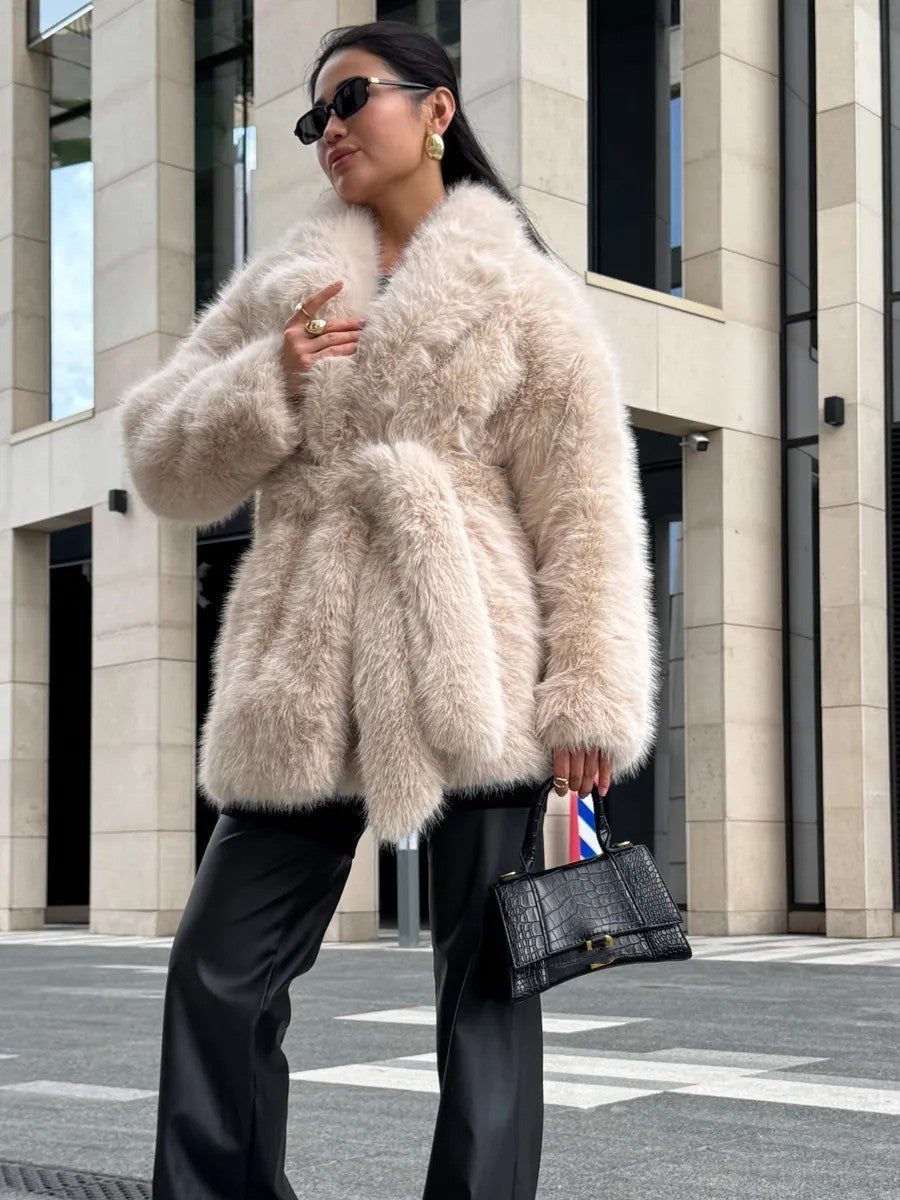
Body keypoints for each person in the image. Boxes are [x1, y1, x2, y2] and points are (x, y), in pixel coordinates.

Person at [119, 18, 659, 1200]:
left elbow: (584, 510)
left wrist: (589, 694)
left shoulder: (525, 296)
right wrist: (274, 378)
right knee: (217, 968)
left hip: (472, 654)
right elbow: (161, 458)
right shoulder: (286, 292)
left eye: (351, 98)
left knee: (486, 993)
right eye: (313, 115)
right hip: (303, 663)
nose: (330, 131)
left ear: (437, 111)